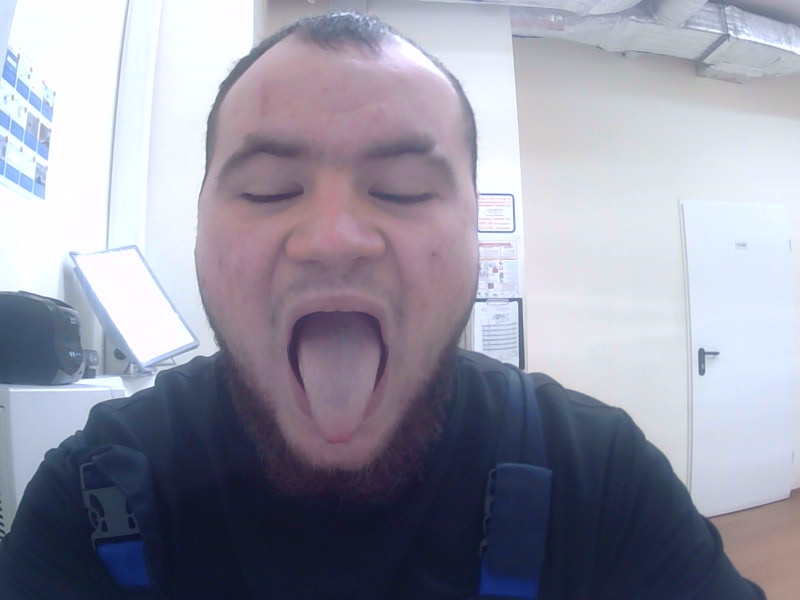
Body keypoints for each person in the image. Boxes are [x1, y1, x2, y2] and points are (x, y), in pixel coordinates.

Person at [0, 12, 764, 600]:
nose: (334, 239)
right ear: (199, 230)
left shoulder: (599, 478)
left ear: (475, 233)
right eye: (269, 190)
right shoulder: (92, 495)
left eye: (402, 190)